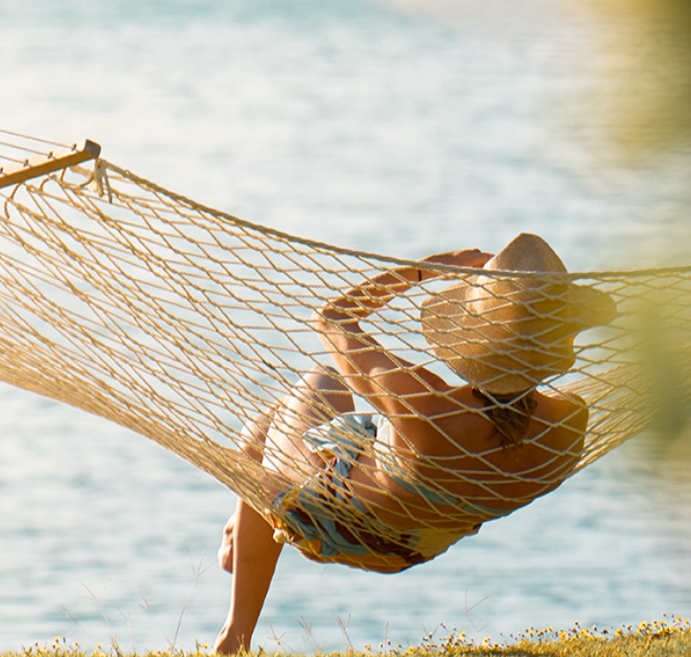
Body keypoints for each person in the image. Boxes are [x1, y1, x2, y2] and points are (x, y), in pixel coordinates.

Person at [214, 233, 616, 653]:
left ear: (473, 337)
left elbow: (331, 320)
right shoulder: (568, 427)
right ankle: (241, 538)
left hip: (325, 521)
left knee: (313, 389)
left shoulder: (427, 409)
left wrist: (427, 268)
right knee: (282, 431)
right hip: (406, 548)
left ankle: (235, 629)